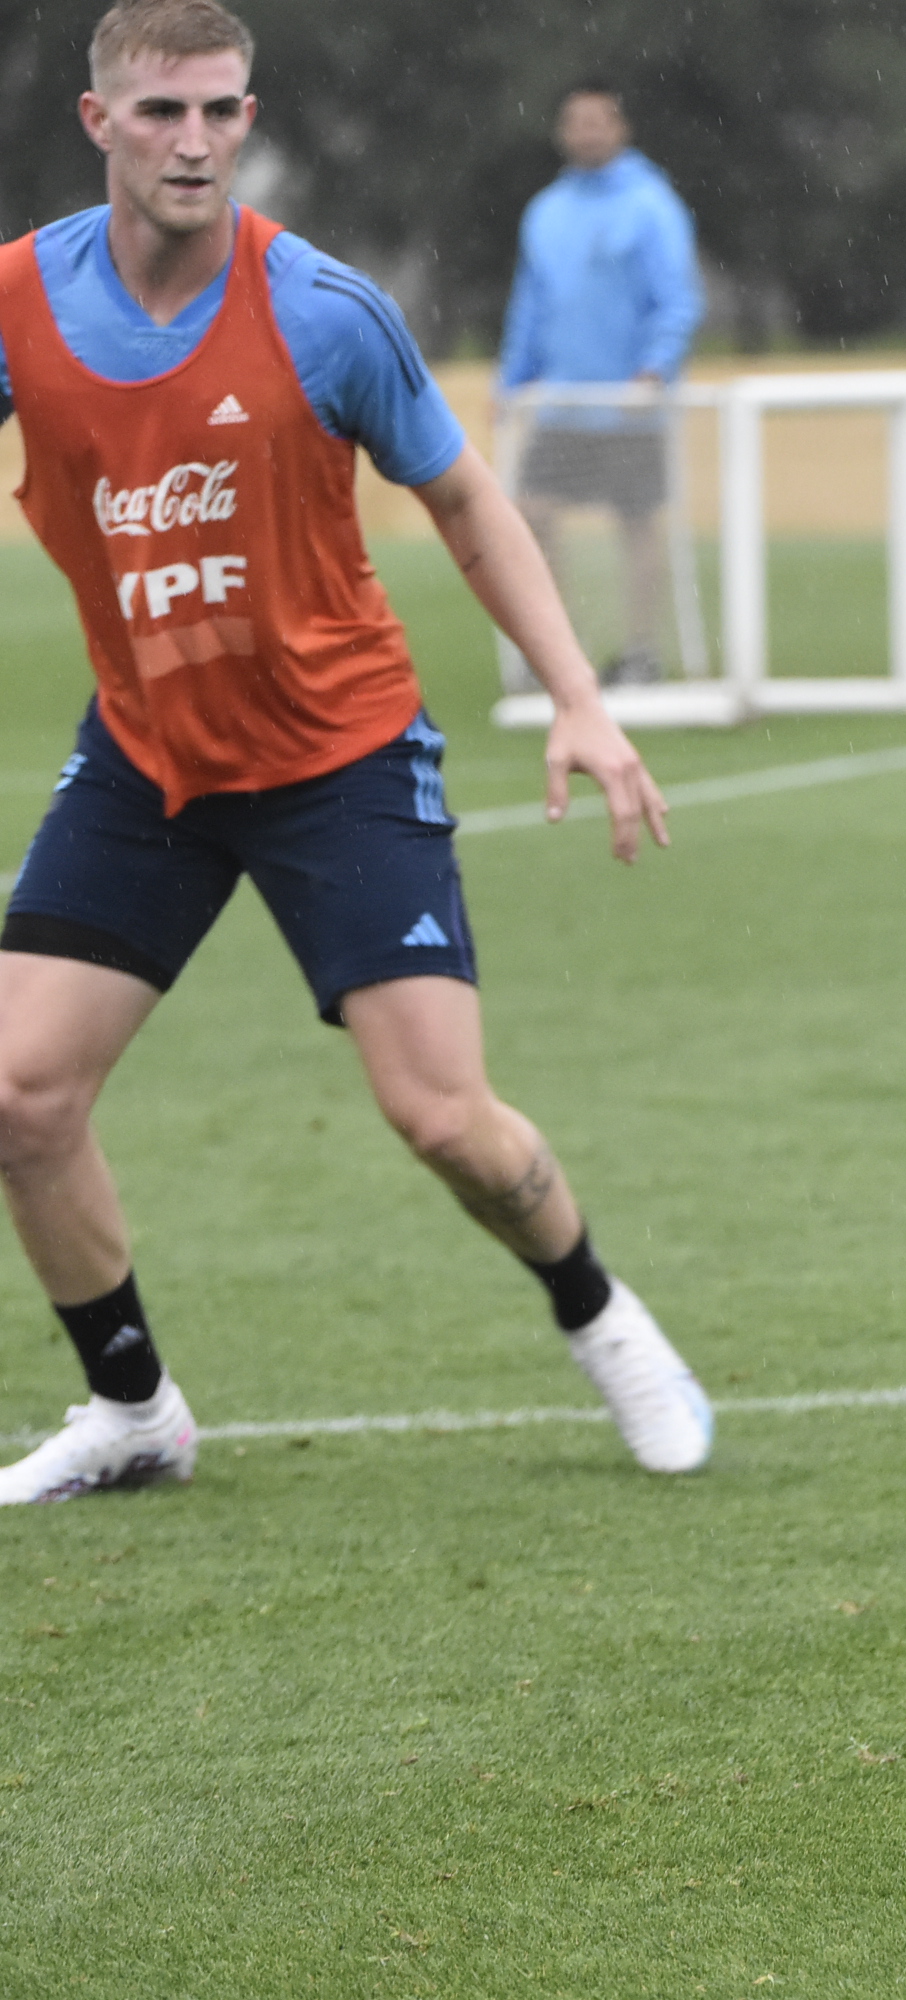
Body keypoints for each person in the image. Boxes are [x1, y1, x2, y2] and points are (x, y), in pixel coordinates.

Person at [0, 0, 711, 1505]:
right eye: (160, 112)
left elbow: (465, 500)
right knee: (19, 1094)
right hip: (147, 757)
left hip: (340, 755)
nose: (193, 141)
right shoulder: (17, 302)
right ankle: (133, 1409)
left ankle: (599, 1312)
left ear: (248, 121)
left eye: (220, 111)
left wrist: (577, 695)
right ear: (99, 122)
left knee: (443, 1119)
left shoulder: (324, 311)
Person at [497, 81, 700, 688]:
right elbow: (531, 305)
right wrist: (512, 379)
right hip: (562, 402)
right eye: (576, 122)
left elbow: (677, 298)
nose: (587, 132)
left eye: (598, 121)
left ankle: (641, 651)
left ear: (621, 128)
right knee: (531, 514)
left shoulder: (651, 205)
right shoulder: (546, 211)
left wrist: (655, 368)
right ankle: (559, 650)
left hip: (628, 404)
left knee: (637, 520)